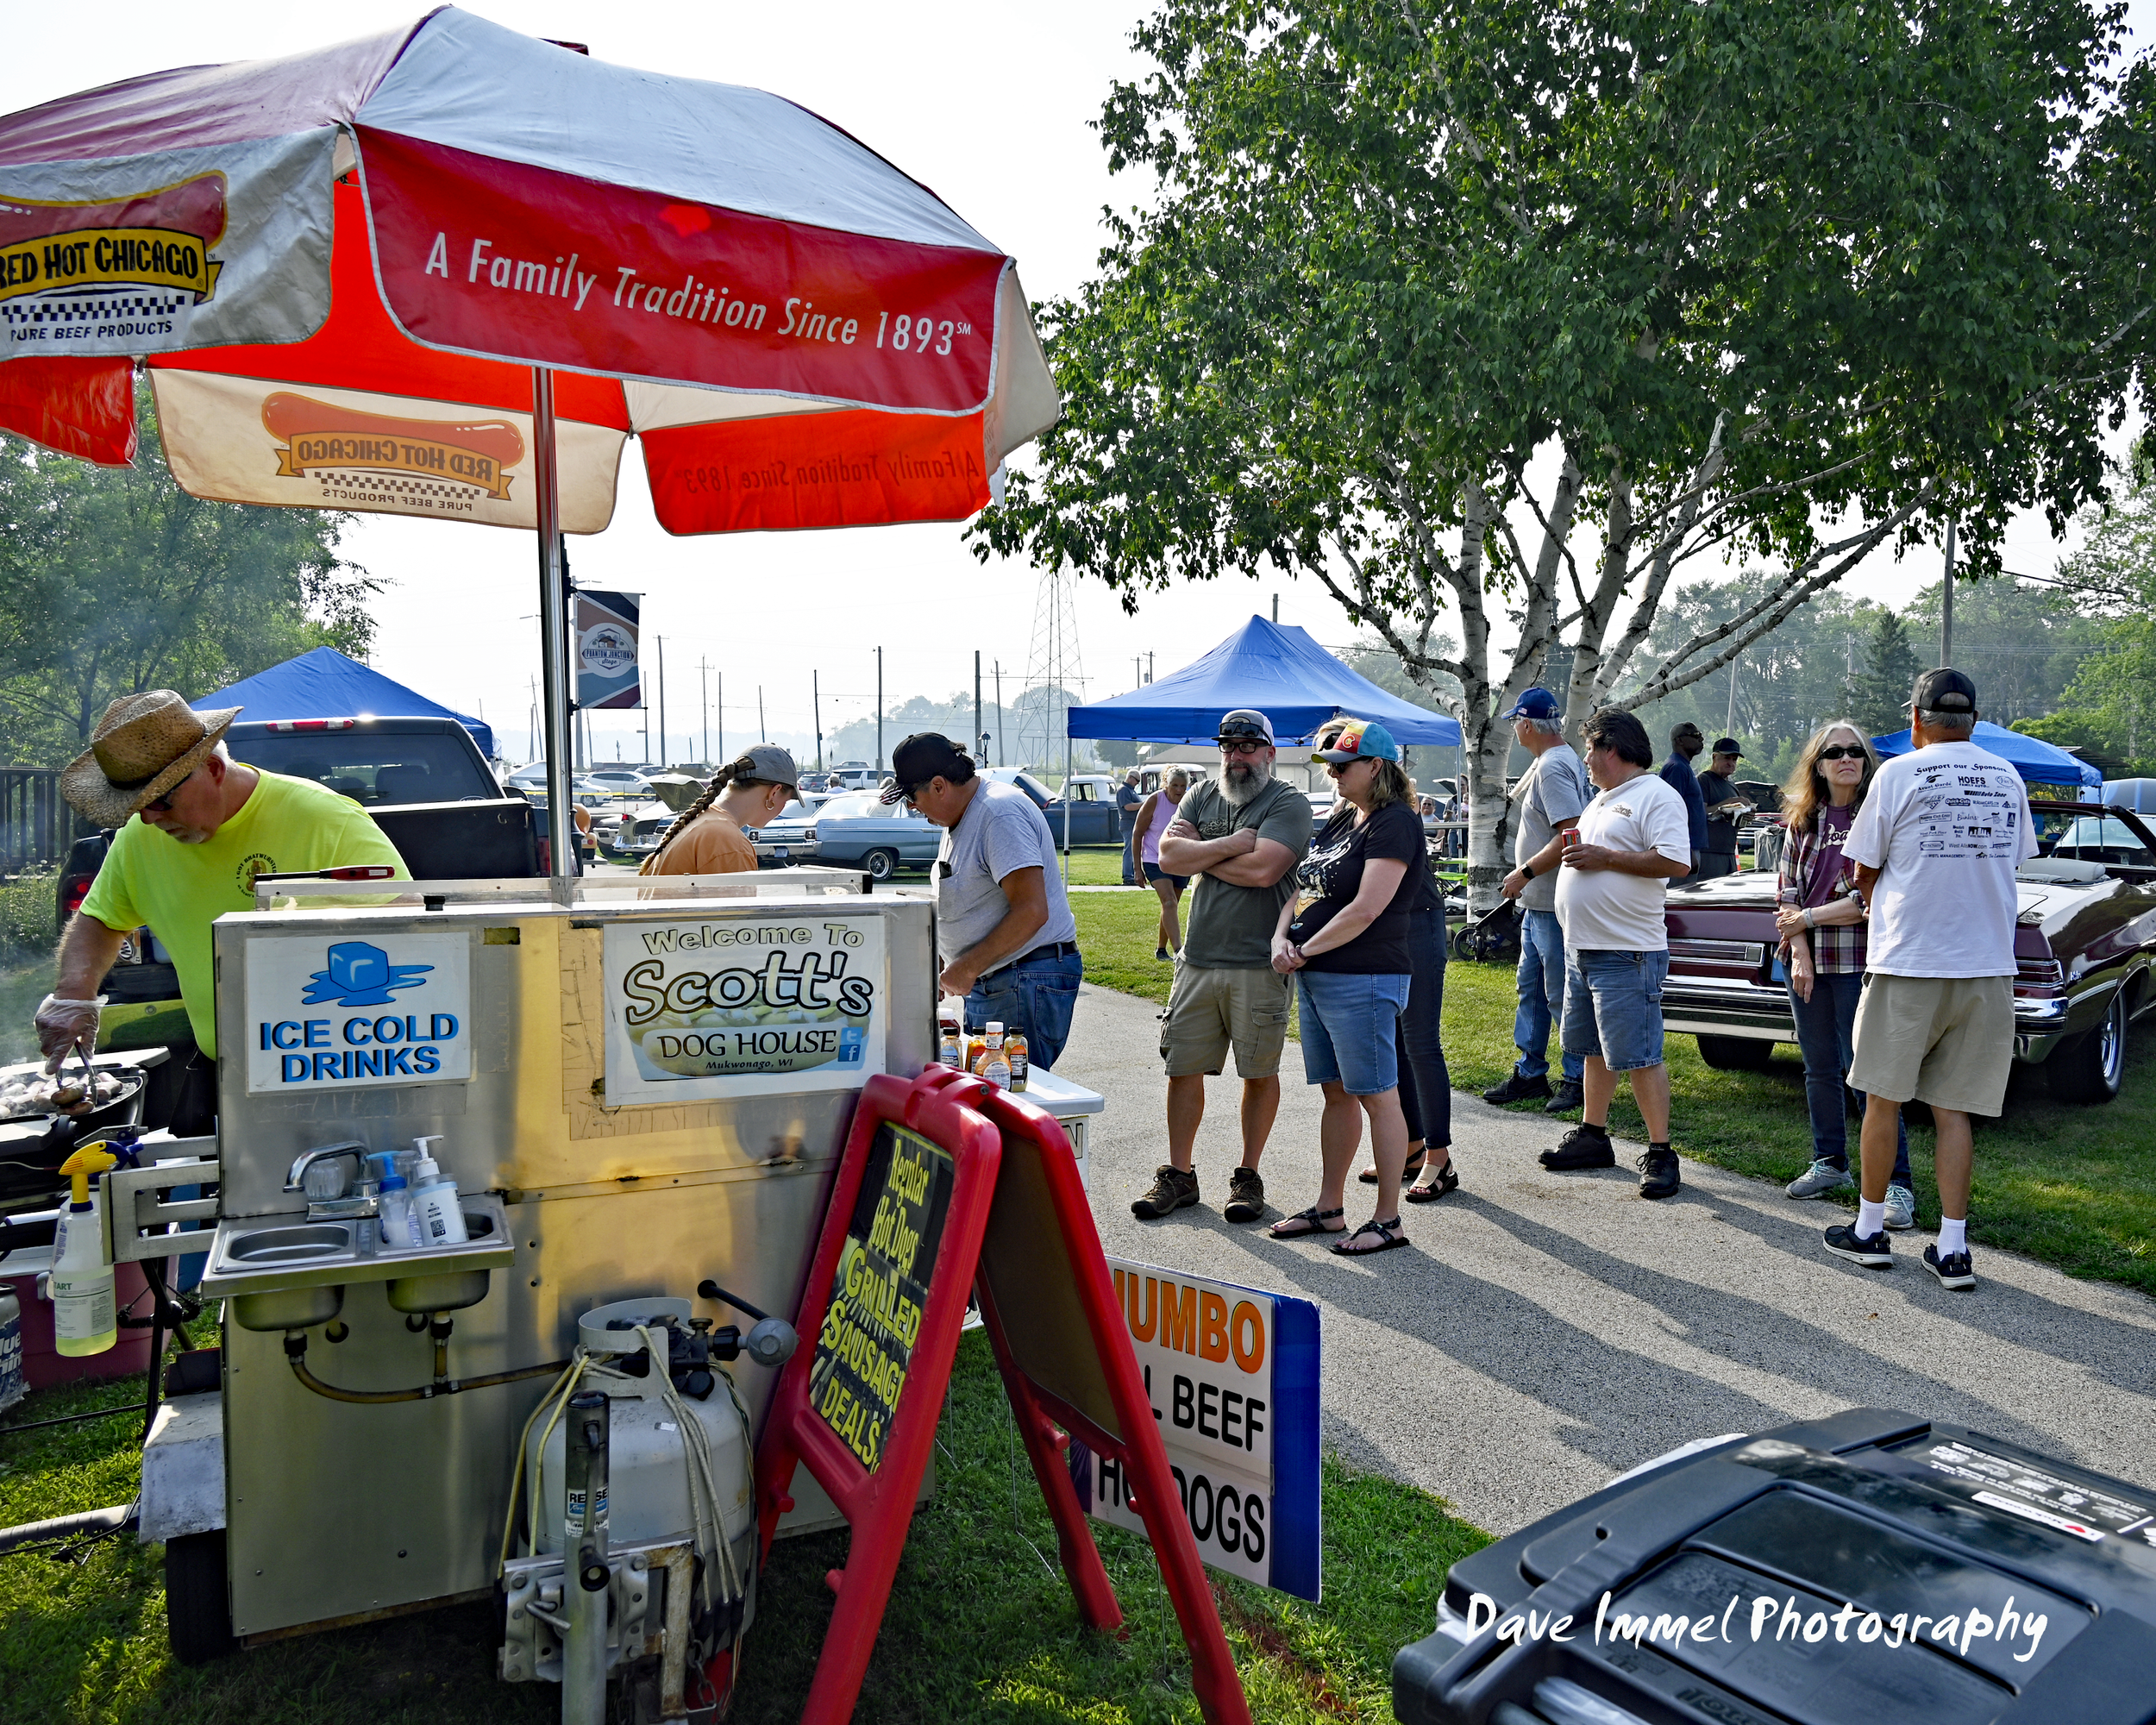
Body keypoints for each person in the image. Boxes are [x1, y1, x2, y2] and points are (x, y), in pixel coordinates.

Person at [37, 691, 409, 1134]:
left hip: (339, 1070)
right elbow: (101, 917)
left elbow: (408, 924)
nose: (150, 820)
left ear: (213, 769)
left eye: (160, 801)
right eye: (138, 806)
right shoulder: (141, 837)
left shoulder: (323, 819)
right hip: (224, 1069)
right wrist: (73, 993)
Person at [1824, 670, 2036, 1291]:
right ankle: (1952, 1249)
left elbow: (1862, 868)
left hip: (1909, 960)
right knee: (1955, 1111)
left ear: (1916, 719)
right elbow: (2013, 856)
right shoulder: (2007, 775)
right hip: (1987, 966)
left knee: (1882, 1101)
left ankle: (1868, 1231)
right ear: (1973, 720)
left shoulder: (1896, 773)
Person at [1133, 710, 1313, 1226]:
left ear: (1270, 753)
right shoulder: (1201, 793)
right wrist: (1235, 843)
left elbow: (1265, 871)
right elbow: (1167, 857)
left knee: (1259, 1073)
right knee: (1182, 1067)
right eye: (1228, 747)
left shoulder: (1287, 802)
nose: (1236, 757)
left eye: (1248, 747)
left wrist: (1200, 854)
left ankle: (1248, 1175)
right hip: (1197, 958)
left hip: (1260, 962)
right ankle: (1180, 1175)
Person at [1265, 719, 1423, 1253]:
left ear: (1376, 766)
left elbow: (1366, 908)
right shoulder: (1340, 818)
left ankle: (1387, 1220)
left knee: (1378, 1096)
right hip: (1316, 973)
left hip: (1364, 975)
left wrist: (1303, 950)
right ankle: (1330, 1207)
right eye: (1328, 765)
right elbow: (1302, 886)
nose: (1332, 774)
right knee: (1337, 1093)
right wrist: (1280, 938)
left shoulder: (1396, 822)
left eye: (1342, 765)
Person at [1527, 707, 1692, 1198]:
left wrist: (1606, 858)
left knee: (1639, 1055)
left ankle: (1661, 1152)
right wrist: (1528, 873)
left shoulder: (1655, 795)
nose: (1585, 759)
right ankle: (1593, 1136)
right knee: (1594, 1048)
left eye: (1590, 749)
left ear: (1612, 748)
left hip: (1628, 951)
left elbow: (1677, 861)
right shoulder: (1601, 800)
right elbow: (1568, 845)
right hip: (1584, 947)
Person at [1774, 723, 1916, 1224]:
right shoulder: (1801, 821)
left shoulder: (1878, 815)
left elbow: (1869, 898)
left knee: (1869, 1074)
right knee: (1818, 1068)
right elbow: (1786, 893)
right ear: (1818, 762)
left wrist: (1809, 919)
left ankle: (1897, 1185)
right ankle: (1830, 1163)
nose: (1846, 759)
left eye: (1856, 751)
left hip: (1862, 960)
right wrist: (1801, 954)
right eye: (1834, 752)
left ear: (1866, 761)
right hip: (1807, 961)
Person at [886, 733, 1084, 1070]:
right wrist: (941, 962)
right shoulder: (963, 817)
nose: (912, 808)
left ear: (938, 785)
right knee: (989, 1096)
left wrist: (966, 967)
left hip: (1021, 978)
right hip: (1001, 982)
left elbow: (1032, 911)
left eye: (911, 798)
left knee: (1010, 1098)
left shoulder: (998, 814)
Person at [1489, 687, 1592, 1113]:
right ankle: (1530, 1072)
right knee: (1530, 988)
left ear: (1526, 724)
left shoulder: (1552, 767)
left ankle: (1575, 1078)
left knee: (1559, 992)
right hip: (1539, 902)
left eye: (1516, 722)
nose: (1515, 729)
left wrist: (1525, 872)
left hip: (1551, 901)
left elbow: (1570, 832)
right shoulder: (1554, 759)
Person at [641, 745, 799, 875]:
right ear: (775, 792)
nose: (782, 808)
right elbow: (736, 913)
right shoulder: (728, 841)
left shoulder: (697, 821)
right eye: (786, 800)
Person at [1134, 768, 1193, 960]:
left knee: (1171, 905)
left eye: (1183, 786)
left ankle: (1161, 949)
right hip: (1154, 858)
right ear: (1166, 784)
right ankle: (1178, 951)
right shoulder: (1155, 800)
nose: (1179, 790)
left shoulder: (1189, 801)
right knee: (1169, 901)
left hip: (1180, 859)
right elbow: (1137, 833)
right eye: (1175, 785)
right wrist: (1137, 868)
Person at [1659, 721, 1709, 881]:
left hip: (1689, 847)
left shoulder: (1683, 766)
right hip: (1681, 850)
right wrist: (1686, 852)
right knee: (1679, 902)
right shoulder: (1676, 768)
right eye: (1695, 736)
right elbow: (1669, 812)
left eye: (1701, 736)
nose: (1701, 739)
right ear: (1679, 740)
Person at [1696, 738, 1746, 879]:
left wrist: (1745, 816)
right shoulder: (1704, 780)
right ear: (1714, 757)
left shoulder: (1731, 785)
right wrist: (1730, 803)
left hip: (1729, 852)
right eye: (1726, 758)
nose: (1730, 763)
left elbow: (1732, 821)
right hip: (1709, 854)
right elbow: (1700, 814)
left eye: (1734, 759)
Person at [1116, 769, 1144, 886]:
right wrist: (1144, 804)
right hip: (1128, 824)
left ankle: (1132, 874)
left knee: (1134, 850)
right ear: (1130, 778)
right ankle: (1128, 876)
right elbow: (1128, 806)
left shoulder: (1131, 790)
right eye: (1137, 780)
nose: (1137, 783)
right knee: (1129, 850)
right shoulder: (1123, 790)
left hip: (1133, 824)